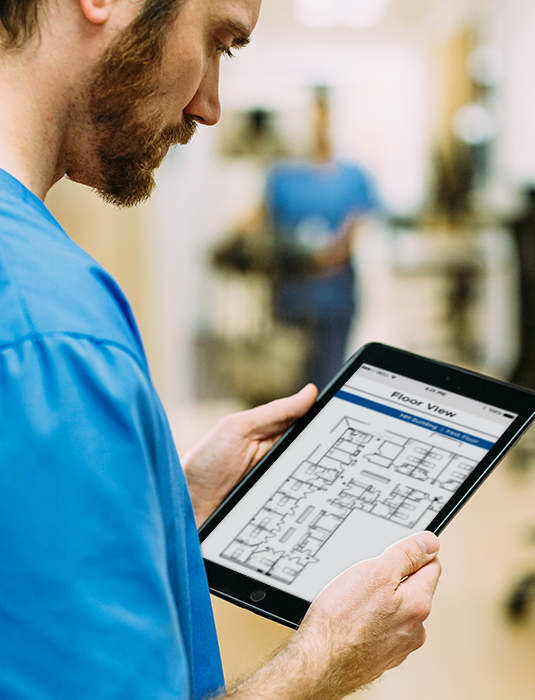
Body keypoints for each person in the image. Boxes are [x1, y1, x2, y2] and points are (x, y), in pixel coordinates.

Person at [0, 2, 441, 699]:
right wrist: (324, 660)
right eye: (217, 42)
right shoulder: (54, 331)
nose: (209, 106)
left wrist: (170, 504)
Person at [266, 86, 378, 390]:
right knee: (289, 384)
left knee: (327, 380)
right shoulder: (282, 177)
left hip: (334, 295)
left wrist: (321, 259)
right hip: (291, 296)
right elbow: (268, 226)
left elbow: (350, 234)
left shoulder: (353, 176)